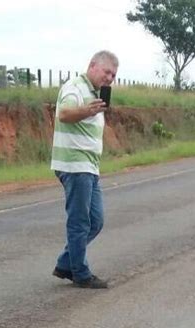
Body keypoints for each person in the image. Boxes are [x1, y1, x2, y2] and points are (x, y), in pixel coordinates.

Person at [51, 51, 119, 288]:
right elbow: (65, 113)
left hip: (88, 166)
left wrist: (93, 110)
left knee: (95, 220)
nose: (110, 77)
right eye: (106, 71)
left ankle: (65, 263)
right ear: (92, 66)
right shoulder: (75, 87)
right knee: (80, 222)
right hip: (74, 163)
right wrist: (87, 111)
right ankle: (80, 273)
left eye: (113, 74)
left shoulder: (94, 95)